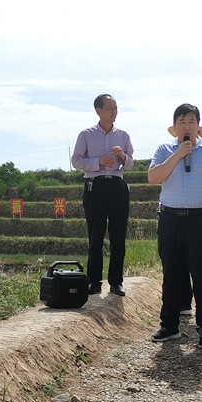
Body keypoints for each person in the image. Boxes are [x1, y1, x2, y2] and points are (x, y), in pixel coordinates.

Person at [149, 103, 202, 349]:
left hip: (198, 219)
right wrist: (178, 154)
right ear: (174, 127)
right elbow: (153, 178)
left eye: (191, 121)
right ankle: (169, 325)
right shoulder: (165, 150)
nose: (187, 126)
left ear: (198, 126)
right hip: (170, 218)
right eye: (182, 121)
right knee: (171, 273)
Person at [71, 94, 134, 296]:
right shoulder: (86, 135)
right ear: (98, 110)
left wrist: (122, 156)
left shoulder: (123, 135)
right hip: (94, 186)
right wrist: (98, 161)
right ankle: (94, 282)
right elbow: (76, 161)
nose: (114, 112)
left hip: (117, 186)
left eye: (116, 108)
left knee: (118, 236)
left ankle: (116, 282)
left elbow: (131, 162)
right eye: (110, 108)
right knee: (95, 236)